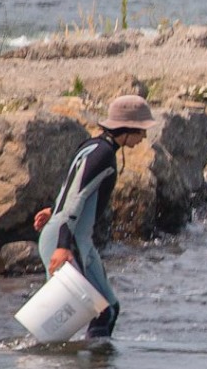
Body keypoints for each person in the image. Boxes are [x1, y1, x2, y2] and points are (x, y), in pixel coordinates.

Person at [29, 94, 157, 342]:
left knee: (107, 310)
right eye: (141, 130)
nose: (143, 137)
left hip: (72, 236)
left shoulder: (93, 146)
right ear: (128, 127)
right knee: (65, 323)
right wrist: (63, 245)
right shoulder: (103, 155)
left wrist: (53, 210)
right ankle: (44, 368)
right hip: (67, 240)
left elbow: (72, 186)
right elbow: (77, 196)